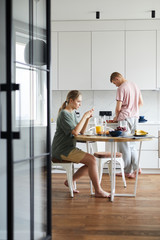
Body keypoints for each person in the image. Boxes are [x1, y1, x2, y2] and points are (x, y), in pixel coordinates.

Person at [52, 90, 110, 198]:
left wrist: (87, 118)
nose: (80, 104)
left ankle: (70, 181)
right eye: (78, 101)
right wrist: (84, 116)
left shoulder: (72, 113)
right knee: (92, 160)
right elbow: (74, 132)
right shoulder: (64, 114)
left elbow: (81, 131)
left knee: (92, 161)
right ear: (71, 100)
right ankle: (98, 190)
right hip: (62, 150)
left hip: (68, 148)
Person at [110, 72, 143, 178]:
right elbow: (140, 102)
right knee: (132, 145)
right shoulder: (135, 85)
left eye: (114, 82)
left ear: (117, 78)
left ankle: (127, 171)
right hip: (135, 117)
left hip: (124, 118)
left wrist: (116, 116)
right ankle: (137, 168)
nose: (115, 85)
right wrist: (133, 110)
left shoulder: (121, 88)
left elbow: (118, 107)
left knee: (124, 146)